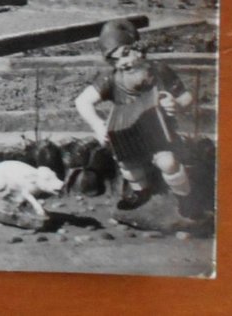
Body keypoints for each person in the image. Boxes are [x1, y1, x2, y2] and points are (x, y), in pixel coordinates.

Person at [74, 19, 202, 218]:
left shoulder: (158, 70)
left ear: (138, 49)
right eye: (115, 59)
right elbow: (82, 102)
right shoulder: (110, 77)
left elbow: (187, 97)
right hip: (128, 138)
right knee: (127, 163)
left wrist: (177, 105)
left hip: (160, 133)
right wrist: (98, 126)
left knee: (168, 163)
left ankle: (185, 199)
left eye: (125, 53)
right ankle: (141, 192)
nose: (123, 62)